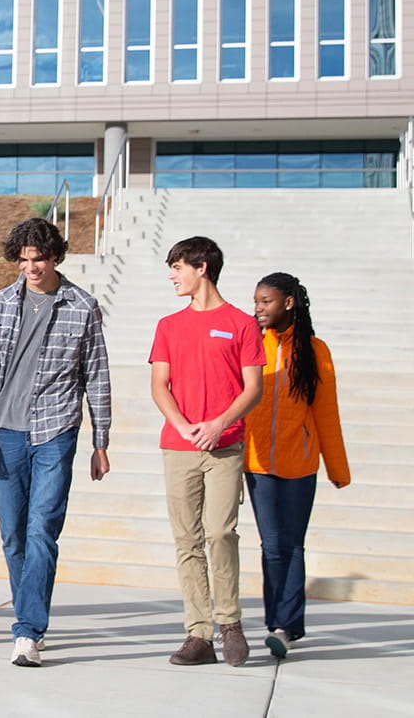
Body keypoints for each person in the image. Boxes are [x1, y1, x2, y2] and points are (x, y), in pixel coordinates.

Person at [0, 218, 112, 668]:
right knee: (12, 535)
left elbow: (97, 376)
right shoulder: (1, 304)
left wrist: (100, 440)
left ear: (56, 258)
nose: (31, 267)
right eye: (24, 259)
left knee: (42, 529)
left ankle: (28, 630)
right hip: (8, 431)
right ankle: (28, 613)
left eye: (39, 259)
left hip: (56, 430)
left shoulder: (82, 306)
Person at [149, 236, 264, 667]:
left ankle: (229, 621)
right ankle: (198, 634)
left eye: (178, 267)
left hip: (226, 445)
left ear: (202, 267)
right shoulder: (168, 325)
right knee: (187, 539)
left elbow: (254, 387)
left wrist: (217, 425)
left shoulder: (240, 323)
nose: (172, 276)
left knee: (220, 532)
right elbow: (160, 384)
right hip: (178, 447)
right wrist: (184, 426)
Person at [248, 272, 350, 659]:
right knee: (274, 546)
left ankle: (285, 625)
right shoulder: (251, 344)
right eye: (256, 301)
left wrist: (336, 467)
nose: (258, 309)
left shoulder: (315, 350)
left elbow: (327, 413)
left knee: (292, 545)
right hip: (257, 462)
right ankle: (280, 623)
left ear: (288, 302)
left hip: (300, 463)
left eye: (266, 301)